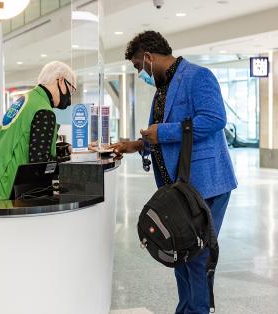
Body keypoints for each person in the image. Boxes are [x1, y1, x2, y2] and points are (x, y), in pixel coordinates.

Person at [110, 31, 237, 314]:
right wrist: (135, 145)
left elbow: (215, 119)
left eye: (138, 66)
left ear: (148, 58)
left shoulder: (197, 76)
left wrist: (163, 132)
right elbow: (163, 137)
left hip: (206, 185)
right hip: (178, 188)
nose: (140, 73)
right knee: (180, 251)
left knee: (197, 255)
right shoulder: (163, 89)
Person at [0, 61, 76, 200]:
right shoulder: (44, 110)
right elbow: (40, 163)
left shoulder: (28, 99)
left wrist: (62, 148)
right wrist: (71, 163)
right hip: (7, 185)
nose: (69, 98)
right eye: (71, 90)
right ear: (61, 81)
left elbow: (28, 140)